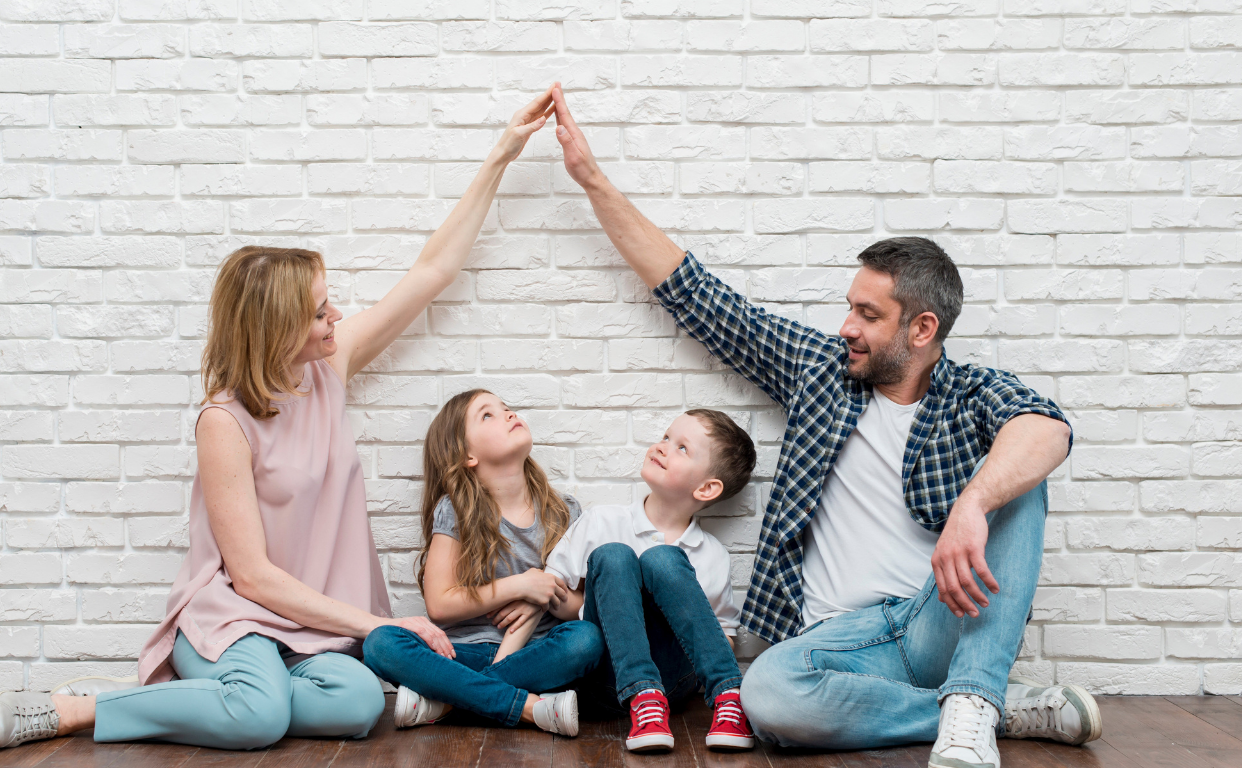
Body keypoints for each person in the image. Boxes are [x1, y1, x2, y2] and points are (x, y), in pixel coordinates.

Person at [0, 87, 560, 751]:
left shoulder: (329, 367)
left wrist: (502, 155)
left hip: (314, 624)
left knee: (352, 705)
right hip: (238, 618)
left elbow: (431, 271)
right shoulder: (223, 423)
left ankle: (235, 700)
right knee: (260, 719)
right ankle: (86, 709)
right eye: (319, 311)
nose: (336, 318)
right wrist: (376, 626)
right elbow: (252, 576)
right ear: (276, 327)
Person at [547, 84, 1102, 768]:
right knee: (769, 697)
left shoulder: (968, 394)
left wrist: (974, 503)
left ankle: (970, 695)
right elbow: (698, 295)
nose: (847, 326)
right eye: (849, 307)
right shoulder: (820, 370)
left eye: (869, 314)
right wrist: (592, 180)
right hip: (838, 643)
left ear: (922, 328)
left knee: (1022, 474)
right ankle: (984, 707)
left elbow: (1048, 429)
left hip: (935, 622)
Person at [361, 389, 604, 736]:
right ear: (467, 455)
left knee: (586, 639)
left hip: (536, 655)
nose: (508, 414)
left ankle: (447, 703)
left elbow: (580, 608)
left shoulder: (565, 511)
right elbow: (440, 606)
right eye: (488, 415)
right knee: (380, 643)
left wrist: (548, 591)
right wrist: (520, 584)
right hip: (463, 654)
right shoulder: (455, 510)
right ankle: (529, 708)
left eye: (506, 408)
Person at [544, 410, 757, 754]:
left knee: (663, 559)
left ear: (706, 488)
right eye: (666, 437)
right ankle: (643, 695)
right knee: (614, 555)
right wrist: (607, 605)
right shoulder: (602, 521)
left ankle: (729, 698)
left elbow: (725, 636)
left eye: (682, 448)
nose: (663, 447)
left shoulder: (712, 554)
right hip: (605, 677)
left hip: (674, 682)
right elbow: (552, 590)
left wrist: (682, 620)